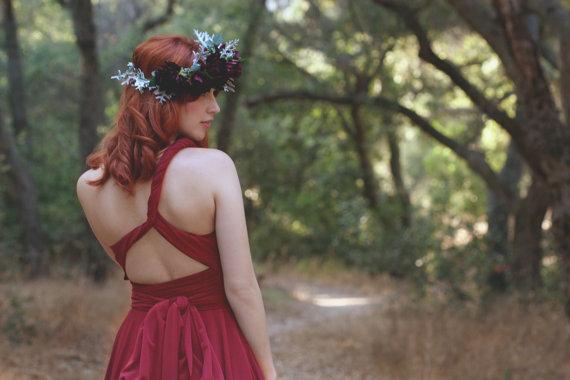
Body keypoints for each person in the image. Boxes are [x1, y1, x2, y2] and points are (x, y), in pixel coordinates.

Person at [75, 32, 277, 379]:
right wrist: (268, 371)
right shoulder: (214, 167)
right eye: (202, 94)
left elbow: (128, 264)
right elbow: (241, 286)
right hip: (215, 343)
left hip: (140, 347)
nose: (214, 107)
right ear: (164, 100)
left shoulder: (89, 185)